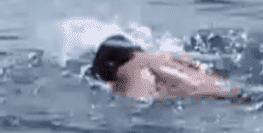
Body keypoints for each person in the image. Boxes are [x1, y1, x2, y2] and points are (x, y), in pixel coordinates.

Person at [89, 35, 243, 100]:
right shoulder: (163, 55)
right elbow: (197, 65)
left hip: (215, 99)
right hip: (227, 87)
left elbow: (140, 100)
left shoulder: (131, 68)